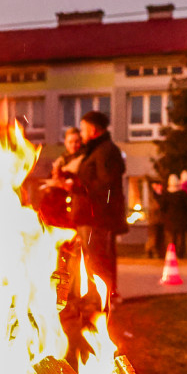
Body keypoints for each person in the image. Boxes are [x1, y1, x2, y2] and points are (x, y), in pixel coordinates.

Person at [71, 110, 126, 301]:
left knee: (98, 260)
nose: (81, 134)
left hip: (97, 217)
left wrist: (74, 186)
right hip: (90, 215)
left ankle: (103, 301)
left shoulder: (105, 152)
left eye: (83, 129)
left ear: (93, 130)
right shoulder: (95, 150)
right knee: (94, 259)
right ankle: (99, 299)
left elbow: (106, 186)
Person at [162, 174, 187, 259]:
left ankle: (172, 253)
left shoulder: (166, 195)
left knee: (172, 238)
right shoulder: (182, 194)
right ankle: (180, 254)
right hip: (181, 220)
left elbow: (163, 207)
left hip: (170, 220)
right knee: (181, 238)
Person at [144, 180, 166, 258]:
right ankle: (149, 251)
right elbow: (153, 206)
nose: (160, 187)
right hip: (153, 220)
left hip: (160, 220)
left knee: (160, 238)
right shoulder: (152, 195)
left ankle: (160, 253)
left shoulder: (161, 195)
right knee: (153, 238)